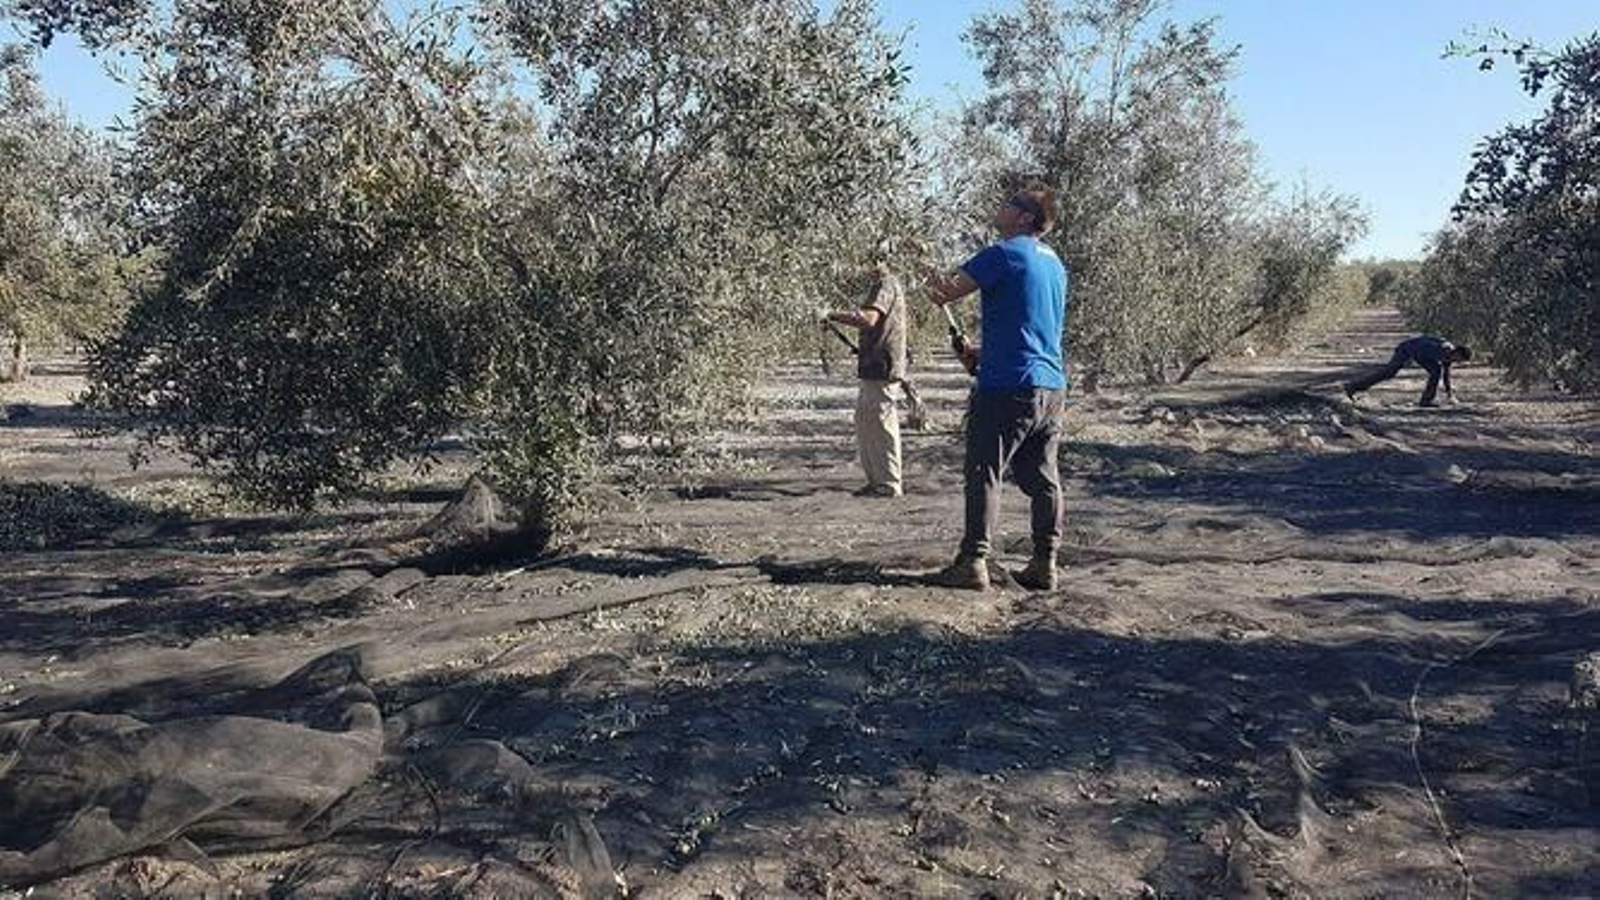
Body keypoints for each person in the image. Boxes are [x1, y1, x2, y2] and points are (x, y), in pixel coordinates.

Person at [925, 189, 1069, 591]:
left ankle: (973, 561)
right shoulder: (1055, 264)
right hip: (1050, 386)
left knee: (984, 470)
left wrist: (918, 260)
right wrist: (983, 353)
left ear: (1025, 218)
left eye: (1008, 203)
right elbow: (1033, 327)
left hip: (1007, 387)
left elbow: (943, 292)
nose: (999, 207)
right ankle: (1045, 563)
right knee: (1043, 478)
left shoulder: (1002, 254)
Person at [823, 258, 908, 498]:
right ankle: (877, 482)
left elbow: (868, 319)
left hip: (883, 364)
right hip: (874, 364)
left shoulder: (885, 284)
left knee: (880, 424)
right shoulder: (879, 285)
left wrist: (830, 313)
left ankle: (889, 484)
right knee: (866, 421)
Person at [1343, 336, 1472, 407]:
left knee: (1436, 371)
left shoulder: (1449, 355)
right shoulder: (1441, 349)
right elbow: (1419, 351)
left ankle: (1426, 401)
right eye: (1460, 359)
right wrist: (1408, 361)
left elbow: (1446, 375)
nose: (1459, 362)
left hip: (1418, 352)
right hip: (1406, 349)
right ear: (1457, 353)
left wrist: (1450, 394)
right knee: (1389, 372)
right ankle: (1352, 387)